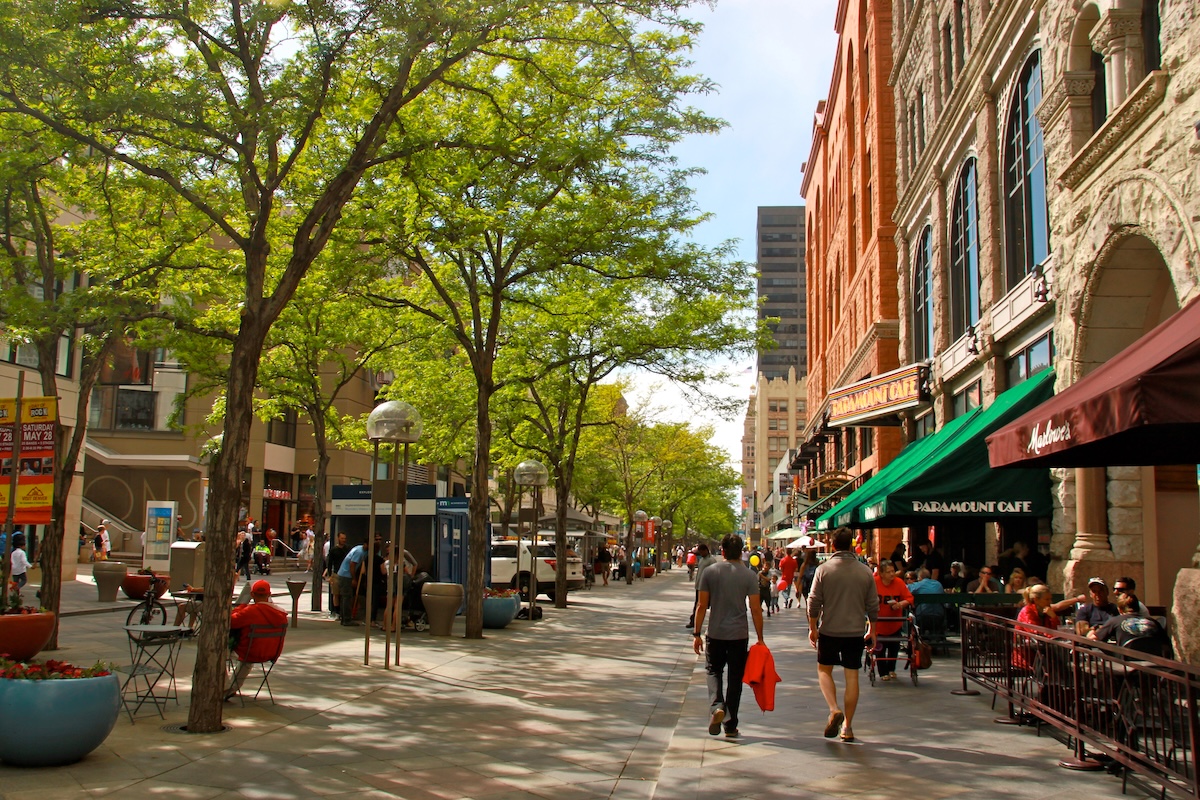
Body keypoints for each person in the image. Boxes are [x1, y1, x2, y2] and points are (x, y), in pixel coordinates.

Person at [808, 528, 877, 742]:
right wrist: (872, 629)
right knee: (852, 675)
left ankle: (833, 709)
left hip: (829, 630)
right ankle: (847, 726)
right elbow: (873, 605)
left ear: (833, 545)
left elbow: (813, 602)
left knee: (824, 670)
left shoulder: (824, 570)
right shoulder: (865, 571)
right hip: (855, 631)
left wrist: (813, 627)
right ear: (850, 545)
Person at [693, 533, 763, 740]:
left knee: (713, 670)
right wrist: (760, 638)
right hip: (739, 635)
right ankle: (731, 725)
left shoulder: (710, 572)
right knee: (735, 678)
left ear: (722, 551)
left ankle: (717, 706)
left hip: (715, 633)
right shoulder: (750, 575)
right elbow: (756, 609)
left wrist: (697, 634)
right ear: (741, 551)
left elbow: (702, 605)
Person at [224, 579, 288, 701]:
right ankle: (232, 688)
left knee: (219, 653)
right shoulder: (281, 614)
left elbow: (231, 622)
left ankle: (226, 687)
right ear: (269, 594)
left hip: (249, 652)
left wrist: (240, 607)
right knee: (249, 655)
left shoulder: (250, 611)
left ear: (252, 594)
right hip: (271, 653)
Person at [1088, 589, 1170, 653]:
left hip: (1127, 666)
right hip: (1153, 666)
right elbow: (1167, 644)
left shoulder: (1115, 621)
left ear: (1119, 609)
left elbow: (1092, 640)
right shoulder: (1154, 622)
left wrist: (1092, 630)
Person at [872, 561, 913, 681]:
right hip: (878, 623)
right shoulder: (874, 583)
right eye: (888, 572)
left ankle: (891, 669)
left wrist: (900, 604)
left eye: (893, 571)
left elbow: (909, 598)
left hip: (894, 622)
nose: (891, 574)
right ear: (881, 573)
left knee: (894, 647)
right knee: (880, 648)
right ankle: (883, 672)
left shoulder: (899, 583)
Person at [336, 538, 368, 626]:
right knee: (346, 597)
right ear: (365, 544)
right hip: (346, 575)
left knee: (345, 597)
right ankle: (346, 619)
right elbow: (352, 564)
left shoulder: (361, 550)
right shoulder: (359, 551)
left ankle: (344, 618)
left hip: (344, 574)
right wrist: (354, 579)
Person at [685, 544, 716, 629]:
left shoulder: (711, 560)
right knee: (697, 605)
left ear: (706, 550)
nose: (700, 553)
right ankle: (693, 621)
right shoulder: (702, 559)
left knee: (706, 605)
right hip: (699, 586)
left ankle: (713, 622)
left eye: (701, 551)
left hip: (707, 588)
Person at [325, 532, 349, 617]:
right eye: (342, 538)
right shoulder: (333, 550)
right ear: (338, 538)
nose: (343, 540)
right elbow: (329, 563)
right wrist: (329, 575)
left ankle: (342, 611)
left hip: (345, 573)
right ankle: (336, 611)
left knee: (343, 593)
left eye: (344, 538)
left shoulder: (347, 549)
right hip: (336, 573)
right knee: (336, 593)